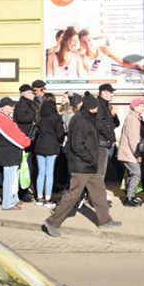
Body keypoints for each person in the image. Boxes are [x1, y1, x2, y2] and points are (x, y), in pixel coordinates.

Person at [42, 92, 121, 236]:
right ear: (91, 107)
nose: (98, 109)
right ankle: (52, 223)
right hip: (81, 165)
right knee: (73, 194)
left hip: (90, 164)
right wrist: (89, 158)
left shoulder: (89, 118)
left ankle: (105, 220)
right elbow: (77, 145)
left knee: (99, 191)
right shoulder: (79, 120)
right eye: (96, 107)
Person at [0, 97, 31, 211]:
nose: (13, 107)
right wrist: (26, 141)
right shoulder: (1, 119)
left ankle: (13, 199)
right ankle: (7, 203)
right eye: (11, 106)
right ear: (4, 107)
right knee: (10, 179)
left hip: (10, 153)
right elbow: (13, 136)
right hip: (8, 153)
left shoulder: (5, 118)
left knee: (13, 178)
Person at [34, 93, 66, 207]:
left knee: (41, 173)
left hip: (39, 146)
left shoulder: (39, 114)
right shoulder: (56, 116)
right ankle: (48, 199)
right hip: (52, 146)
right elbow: (60, 133)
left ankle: (39, 197)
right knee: (49, 173)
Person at [13, 84, 39, 202]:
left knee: (29, 166)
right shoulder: (21, 105)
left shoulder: (31, 104)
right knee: (25, 166)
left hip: (30, 139)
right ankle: (22, 192)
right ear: (25, 94)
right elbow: (22, 118)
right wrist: (35, 115)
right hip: (24, 139)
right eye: (31, 93)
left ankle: (25, 189)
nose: (34, 95)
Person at [96, 83, 120, 179]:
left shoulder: (106, 105)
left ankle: (128, 191)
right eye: (111, 92)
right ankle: (95, 192)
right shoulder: (99, 104)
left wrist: (113, 115)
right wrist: (110, 137)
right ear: (103, 93)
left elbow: (116, 123)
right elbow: (99, 124)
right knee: (100, 170)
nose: (112, 94)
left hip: (108, 142)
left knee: (117, 166)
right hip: (102, 142)